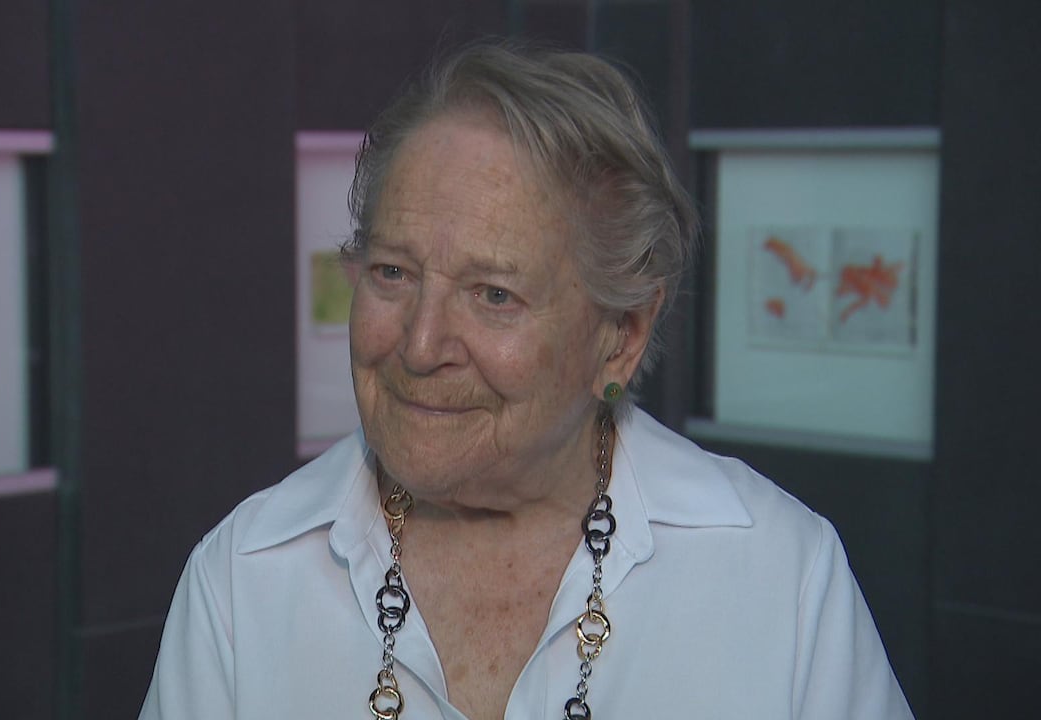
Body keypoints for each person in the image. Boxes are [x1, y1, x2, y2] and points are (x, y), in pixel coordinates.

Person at [139, 41, 913, 720]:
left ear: (622, 336)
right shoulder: (243, 578)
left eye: (494, 295)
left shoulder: (781, 574)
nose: (420, 343)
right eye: (392, 272)